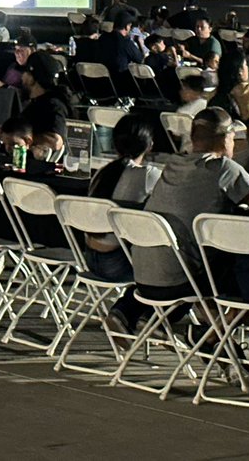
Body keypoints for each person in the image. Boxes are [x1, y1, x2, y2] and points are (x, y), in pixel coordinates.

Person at [131, 108, 249, 299]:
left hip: (143, 280)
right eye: (233, 138)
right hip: (185, 281)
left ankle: (206, 315)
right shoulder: (223, 168)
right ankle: (229, 318)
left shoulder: (173, 164)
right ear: (225, 139)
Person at [87, 115, 159, 334]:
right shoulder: (148, 175)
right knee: (174, 268)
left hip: (90, 259)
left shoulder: (102, 173)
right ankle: (137, 315)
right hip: (119, 263)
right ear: (149, 145)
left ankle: (145, 317)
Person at [96, 10, 144, 76]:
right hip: (120, 81)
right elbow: (140, 59)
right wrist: (140, 43)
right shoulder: (125, 42)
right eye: (130, 26)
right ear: (127, 27)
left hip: (102, 80)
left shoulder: (103, 38)